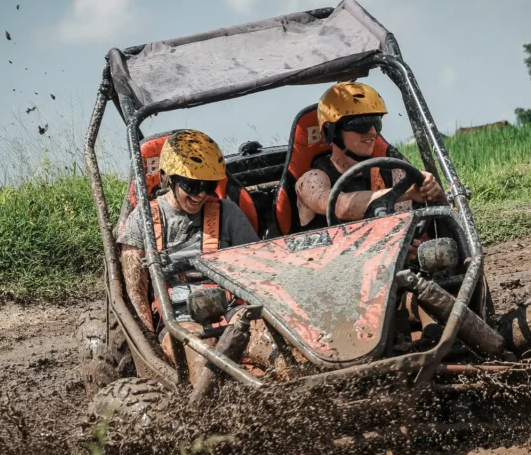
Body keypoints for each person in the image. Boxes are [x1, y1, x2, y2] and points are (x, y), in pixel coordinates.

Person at [117, 130, 263, 378]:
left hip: (234, 312)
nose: (200, 194)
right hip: (179, 321)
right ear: (166, 178)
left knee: (270, 343)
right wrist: (150, 352)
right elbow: (136, 291)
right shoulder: (142, 219)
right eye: (191, 185)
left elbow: (258, 271)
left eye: (208, 185)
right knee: (205, 363)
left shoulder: (227, 212)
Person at [293, 82, 445, 231]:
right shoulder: (311, 180)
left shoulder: (391, 172)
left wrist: (431, 190)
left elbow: (404, 225)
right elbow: (340, 206)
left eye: (376, 122)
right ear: (332, 131)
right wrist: (406, 193)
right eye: (361, 123)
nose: (372, 132)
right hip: (321, 256)